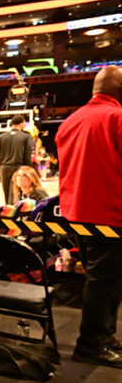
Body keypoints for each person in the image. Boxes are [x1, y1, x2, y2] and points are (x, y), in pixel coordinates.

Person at [56, 65, 122, 367]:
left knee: (99, 280)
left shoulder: (71, 120)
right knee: (105, 283)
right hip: (110, 214)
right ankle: (92, 343)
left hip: (77, 213)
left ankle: (104, 336)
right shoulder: (116, 117)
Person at [0, 114, 32, 204]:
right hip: (18, 168)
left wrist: (0, 168)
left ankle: (7, 210)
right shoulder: (26, 136)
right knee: (16, 195)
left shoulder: (0, 137)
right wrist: (28, 170)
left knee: (7, 195)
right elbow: (27, 155)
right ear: (21, 124)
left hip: (4, 168)